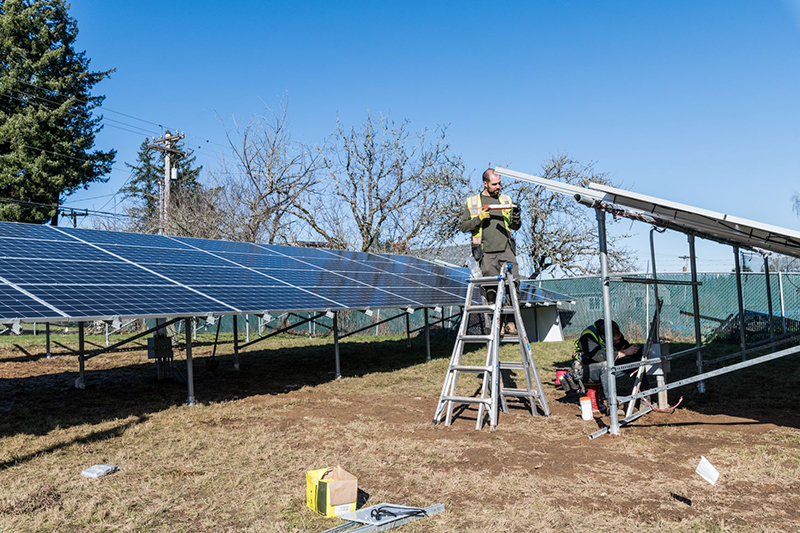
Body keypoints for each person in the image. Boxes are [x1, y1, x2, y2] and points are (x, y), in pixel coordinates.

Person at [460, 168, 522, 334]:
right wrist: (479, 218)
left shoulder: (505, 199)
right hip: (485, 252)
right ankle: (498, 323)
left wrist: (517, 216)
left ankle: (510, 322)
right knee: (491, 289)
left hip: (506, 249)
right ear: (485, 183)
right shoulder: (473, 202)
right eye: (494, 184)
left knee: (513, 284)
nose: (498, 186)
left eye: (499, 183)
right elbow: (464, 226)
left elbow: (515, 226)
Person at [571, 319, 639, 409]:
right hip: (585, 370)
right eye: (614, 340)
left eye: (618, 338)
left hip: (600, 367)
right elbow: (597, 356)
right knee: (607, 366)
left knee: (637, 363)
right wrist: (623, 353)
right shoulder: (588, 336)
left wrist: (639, 351)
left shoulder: (611, 333)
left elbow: (624, 346)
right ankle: (612, 405)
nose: (617, 342)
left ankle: (644, 399)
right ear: (604, 337)